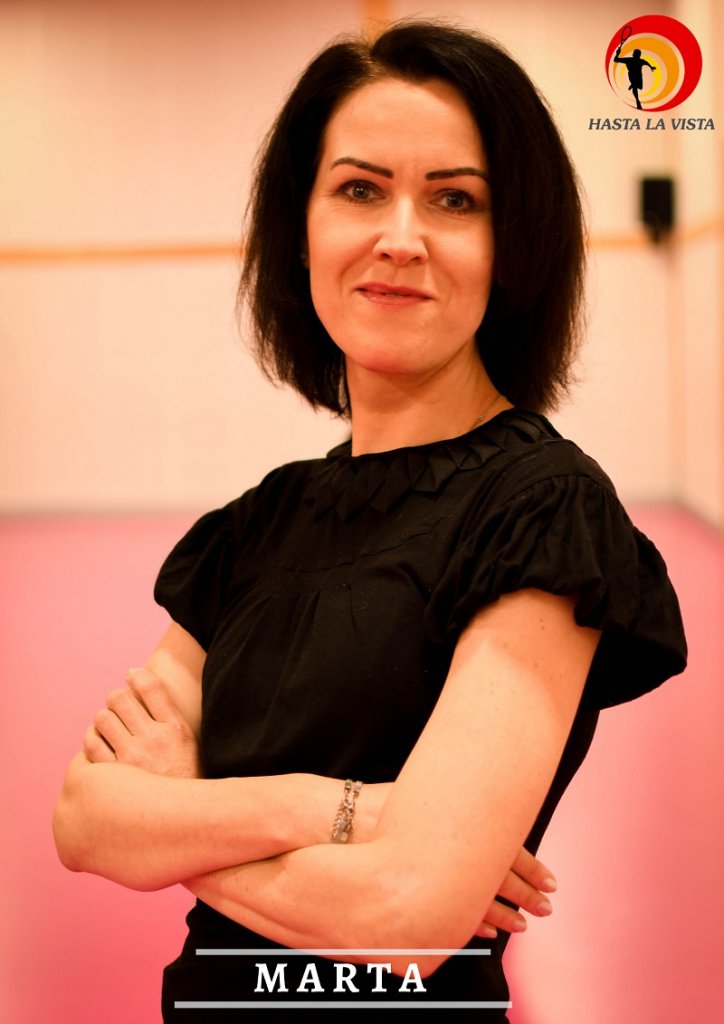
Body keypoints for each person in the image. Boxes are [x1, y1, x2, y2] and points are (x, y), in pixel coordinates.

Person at [52, 19, 687, 1022]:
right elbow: (85, 820)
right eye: (358, 189)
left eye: (454, 199)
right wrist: (339, 810)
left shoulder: (540, 508)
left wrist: (180, 814)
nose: (400, 236)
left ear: (512, 248)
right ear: (300, 228)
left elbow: (406, 917)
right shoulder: (258, 524)